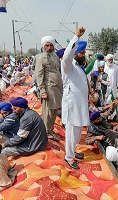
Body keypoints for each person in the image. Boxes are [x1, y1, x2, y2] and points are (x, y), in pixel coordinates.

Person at [61, 26, 89, 169]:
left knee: (78, 129)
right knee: (72, 130)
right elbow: (67, 56)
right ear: (75, 53)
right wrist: (76, 37)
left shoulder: (79, 67)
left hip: (81, 104)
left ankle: (73, 150)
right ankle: (69, 157)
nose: (84, 55)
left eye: (84, 52)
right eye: (82, 52)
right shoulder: (68, 65)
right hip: (72, 103)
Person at [35, 35, 63, 141]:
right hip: (48, 89)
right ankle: (47, 132)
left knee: (54, 111)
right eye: (47, 45)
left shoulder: (55, 57)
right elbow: (39, 75)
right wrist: (43, 91)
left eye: (51, 45)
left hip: (57, 89)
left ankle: (50, 130)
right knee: (48, 112)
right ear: (43, 46)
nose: (49, 48)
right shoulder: (41, 58)